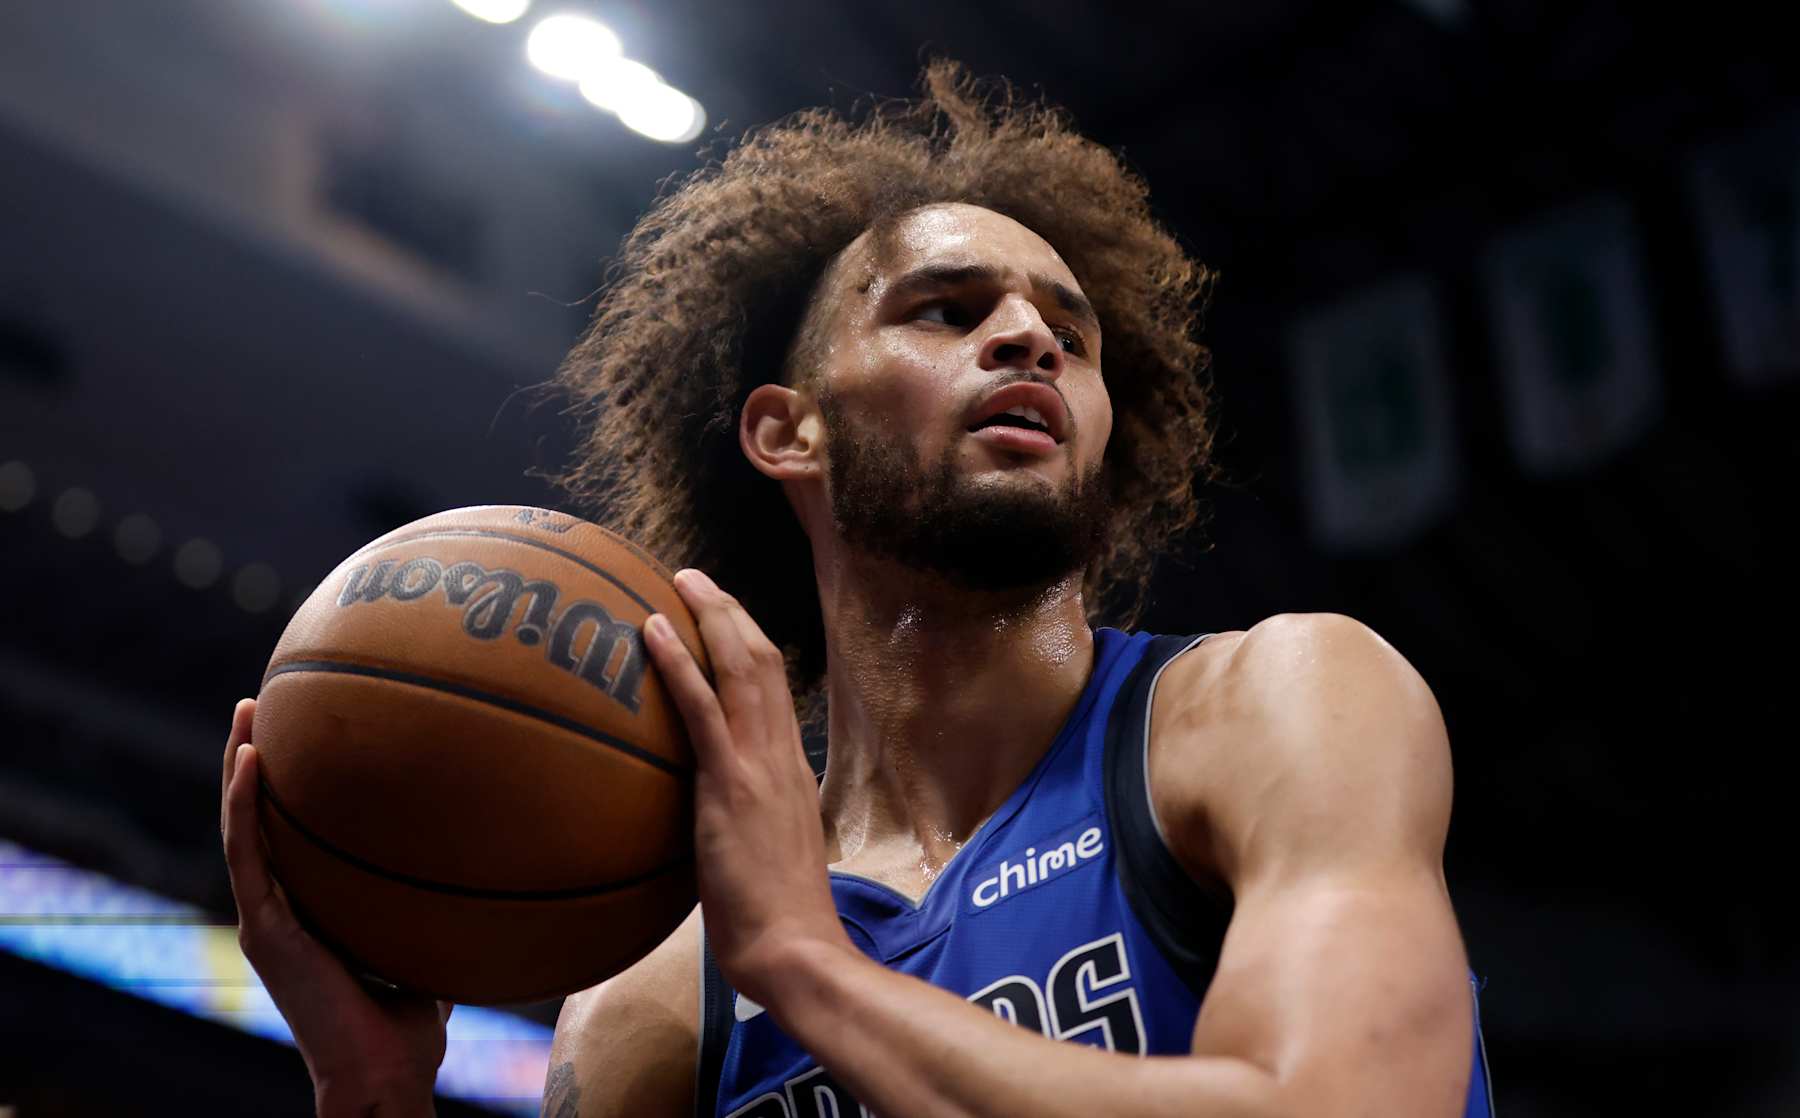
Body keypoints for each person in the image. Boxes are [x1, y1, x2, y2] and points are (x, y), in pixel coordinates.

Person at [220, 62, 1493, 1117]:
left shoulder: (1280, 702)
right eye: (945, 309)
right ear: (790, 433)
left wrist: (809, 967)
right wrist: (373, 1100)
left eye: (1072, 331)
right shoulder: (664, 992)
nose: (1029, 335)